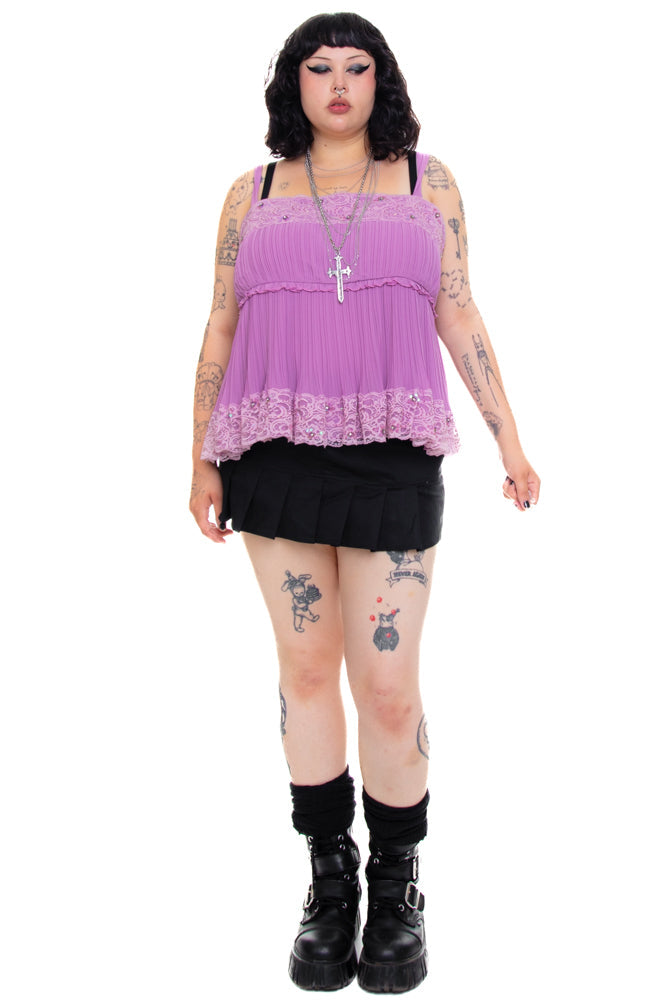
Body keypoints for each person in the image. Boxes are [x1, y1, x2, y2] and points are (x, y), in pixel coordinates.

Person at [189, 12, 540, 994]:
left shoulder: (429, 183)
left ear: (380, 82)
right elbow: (219, 323)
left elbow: (458, 308)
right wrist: (200, 458)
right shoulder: (249, 193)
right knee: (306, 671)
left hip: (392, 451)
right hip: (272, 453)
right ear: (293, 84)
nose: (338, 83)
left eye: (356, 67)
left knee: (387, 684)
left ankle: (396, 882)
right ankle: (328, 880)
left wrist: (509, 438)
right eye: (319, 68)